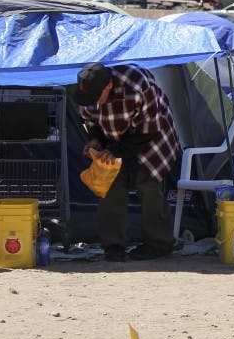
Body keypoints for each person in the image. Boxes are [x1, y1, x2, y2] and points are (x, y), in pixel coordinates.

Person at [74, 62, 181, 261]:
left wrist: (114, 151)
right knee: (111, 188)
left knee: (148, 186)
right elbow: (90, 122)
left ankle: (159, 244)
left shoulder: (138, 85)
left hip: (151, 137)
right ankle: (113, 245)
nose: (92, 103)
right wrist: (97, 140)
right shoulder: (89, 93)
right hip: (114, 137)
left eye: (95, 99)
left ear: (107, 87)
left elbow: (148, 130)